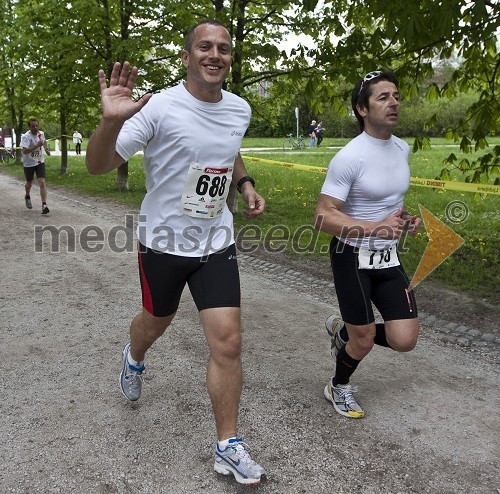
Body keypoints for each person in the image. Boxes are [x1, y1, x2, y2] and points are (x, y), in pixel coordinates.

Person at [85, 19, 267, 486]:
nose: (215, 54)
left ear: (230, 59)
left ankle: (228, 444)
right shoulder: (157, 107)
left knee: (228, 341)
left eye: (223, 49)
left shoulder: (239, 108)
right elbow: (98, 166)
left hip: (215, 241)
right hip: (163, 244)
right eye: (204, 46)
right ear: (187, 57)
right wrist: (110, 123)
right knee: (155, 323)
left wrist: (243, 184)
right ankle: (134, 355)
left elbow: (228, 149)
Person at [314, 70, 421, 419]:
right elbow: (322, 217)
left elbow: (390, 201)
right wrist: (375, 227)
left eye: (396, 96)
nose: (394, 102)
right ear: (362, 109)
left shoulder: (402, 148)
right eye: (383, 97)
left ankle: (344, 328)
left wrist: (405, 220)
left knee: (404, 339)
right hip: (351, 254)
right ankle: (338, 386)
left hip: (386, 257)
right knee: (362, 341)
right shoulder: (350, 157)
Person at [21, 118, 51, 214]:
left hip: (39, 161)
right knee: (29, 183)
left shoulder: (41, 134)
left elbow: (44, 142)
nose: (35, 128)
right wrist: (36, 146)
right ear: (29, 127)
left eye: (36, 125)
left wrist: (46, 149)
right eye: (33, 126)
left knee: (42, 182)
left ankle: (44, 205)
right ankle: (27, 196)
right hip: (29, 163)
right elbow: (24, 151)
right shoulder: (26, 136)